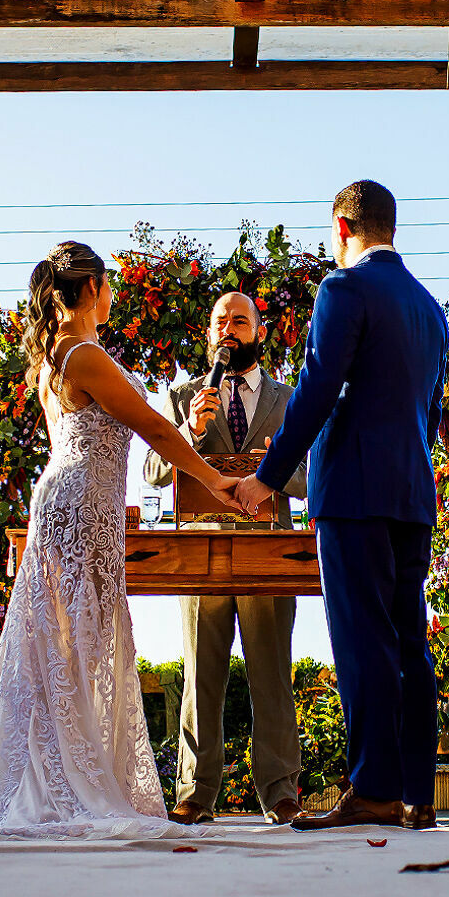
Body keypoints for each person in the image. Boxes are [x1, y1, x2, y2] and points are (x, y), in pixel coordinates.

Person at [0, 241, 245, 838]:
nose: (112, 296)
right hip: (80, 507)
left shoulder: (57, 358)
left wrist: (190, 431)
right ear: (88, 291)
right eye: (107, 286)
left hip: (79, 502)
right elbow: (150, 425)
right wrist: (215, 477)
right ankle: (61, 782)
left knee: (69, 642)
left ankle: (58, 769)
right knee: (73, 640)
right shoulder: (82, 354)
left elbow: (121, 430)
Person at [236, 181, 448, 831]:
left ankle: (374, 790)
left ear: (341, 226)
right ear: (390, 226)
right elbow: (432, 413)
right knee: (410, 643)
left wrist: (266, 478)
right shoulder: (428, 307)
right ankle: (418, 794)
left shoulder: (343, 290)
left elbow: (317, 387)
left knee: (362, 642)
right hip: (412, 491)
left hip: (353, 491)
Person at [144, 291, 307, 825]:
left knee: (272, 674)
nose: (228, 329)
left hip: (268, 552)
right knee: (200, 673)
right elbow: (151, 471)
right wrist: (188, 432)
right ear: (209, 334)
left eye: (240, 320)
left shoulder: (291, 400)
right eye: (220, 322)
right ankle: (195, 792)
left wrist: (275, 471)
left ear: (260, 331)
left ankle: (281, 792)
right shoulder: (182, 395)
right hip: (200, 551)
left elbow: (316, 477)